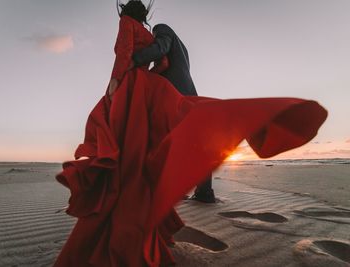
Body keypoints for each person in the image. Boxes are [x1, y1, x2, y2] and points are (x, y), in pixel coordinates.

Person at [54, 1, 327, 266]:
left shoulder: (160, 30)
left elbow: (154, 49)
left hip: (170, 92)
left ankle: (176, 190)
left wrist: (125, 72)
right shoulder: (167, 38)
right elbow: (163, 58)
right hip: (178, 89)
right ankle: (202, 192)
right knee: (193, 140)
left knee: (167, 140)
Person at [131, 23, 216, 203]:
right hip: (188, 94)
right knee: (196, 145)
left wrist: (134, 59)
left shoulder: (161, 29)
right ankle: (204, 192)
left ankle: (162, 190)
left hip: (175, 96)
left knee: (161, 141)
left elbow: (160, 48)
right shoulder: (183, 48)